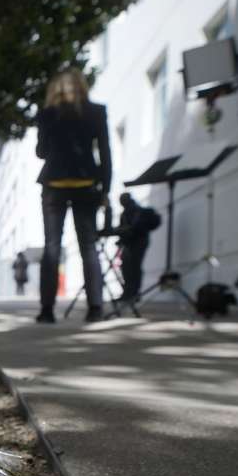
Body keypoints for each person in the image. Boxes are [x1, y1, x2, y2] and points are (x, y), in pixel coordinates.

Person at [34, 68, 111, 323]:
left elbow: (42, 152)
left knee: (52, 247)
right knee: (88, 246)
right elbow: (105, 154)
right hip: (86, 183)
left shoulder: (46, 114)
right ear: (81, 86)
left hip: (54, 184)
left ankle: (47, 311)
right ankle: (96, 309)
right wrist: (106, 189)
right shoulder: (96, 112)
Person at [116, 192, 161, 302]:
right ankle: (129, 292)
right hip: (131, 242)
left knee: (133, 267)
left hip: (138, 241)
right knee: (128, 266)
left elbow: (132, 228)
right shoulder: (127, 213)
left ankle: (133, 293)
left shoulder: (136, 211)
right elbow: (124, 228)